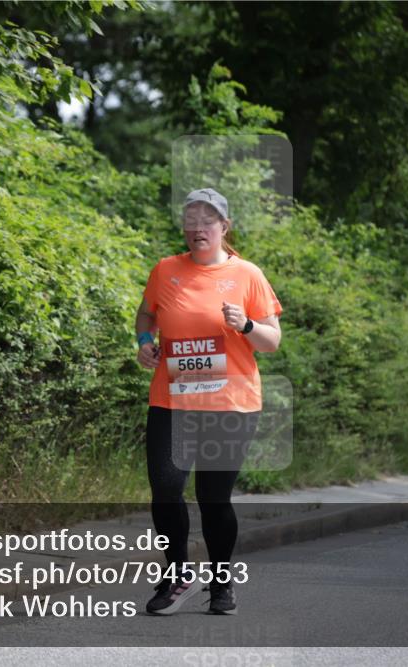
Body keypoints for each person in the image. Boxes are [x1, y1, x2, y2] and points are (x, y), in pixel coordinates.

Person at [136, 187, 283, 615]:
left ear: (224, 226)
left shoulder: (247, 274)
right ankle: (179, 574)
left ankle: (221, 582)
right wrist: (144, 342)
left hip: (229, 404)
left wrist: (247, 324)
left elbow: (272, 341)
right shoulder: (166, 270)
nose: (198, 228)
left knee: (213, 497)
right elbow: (146, 314)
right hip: (172, 400)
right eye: (191, 221)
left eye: (207, 221)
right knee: (166, 489)